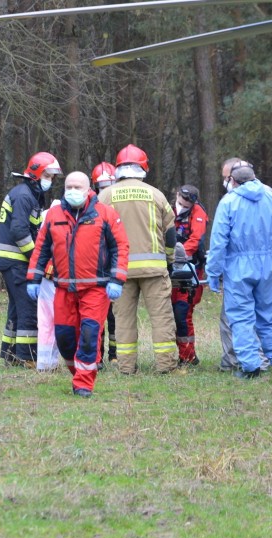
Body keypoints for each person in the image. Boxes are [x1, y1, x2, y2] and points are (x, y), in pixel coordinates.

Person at [27, 171, 129, 397]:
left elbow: (120, 248)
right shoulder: (54, 215)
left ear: (88, 189)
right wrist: (33, 278)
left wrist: (117, 279)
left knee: (89, 335)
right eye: (69, 187)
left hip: (96, 288)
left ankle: (83, 383)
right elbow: (41, 249)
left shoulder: (105, 214)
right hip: (63, 288)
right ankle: (77, 371)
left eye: (77, 187)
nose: (73, 191)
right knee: (64, 338)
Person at [97, 144, 178, 375]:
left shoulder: (105, 196)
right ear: (143, 168)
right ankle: (166, 366)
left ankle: (126, 367)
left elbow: (97, 234)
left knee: (123, 321)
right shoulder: (156, 194)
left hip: (119, 272)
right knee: (161, 318)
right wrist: (169, 260)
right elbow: (170, 234)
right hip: (154, 269)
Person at [206, 162, 272, 379]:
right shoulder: (271, 198)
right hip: (268, 264)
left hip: (239, 266)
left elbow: (218, 241)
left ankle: (251, 367)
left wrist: (213, 272)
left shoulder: (229, 202)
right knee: (268, 316)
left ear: (232, 180)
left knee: (241, 317)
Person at [0, 151, 62, 368]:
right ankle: (27, 357)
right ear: (36, 174)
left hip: (10, 260)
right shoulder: (24, 195)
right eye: (48, 176)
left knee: (16, 308)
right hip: (16, 261)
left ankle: (10, 354)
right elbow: (20, 232)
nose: (50, 181)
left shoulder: (26, 193)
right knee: (28, 308)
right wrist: (36, 259)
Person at [170, 184, 208, 367]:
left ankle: (187, 355)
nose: (183, 206)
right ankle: (183, 355)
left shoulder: (198, 212)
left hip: (190, 269)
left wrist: (180, 253)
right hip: (170, 268)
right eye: (181, 202)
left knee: (183, 312)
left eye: (187, 204)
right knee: (172, 312)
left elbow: (196, 238)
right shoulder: (168, 209)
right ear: (177, 195)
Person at [91, 161, 119, 366]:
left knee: (116, 315)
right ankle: (97, 355)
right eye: (102, 188)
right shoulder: (90, 208)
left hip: (115, 264)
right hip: (97, 266)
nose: (105, 192)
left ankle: (115, 354)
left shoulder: (120, 207)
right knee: (99, 313)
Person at [35, 200, 61, 372]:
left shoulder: (45, 216)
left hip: (47, 274)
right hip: (57, 275)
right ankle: (51, 361)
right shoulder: (63, 217)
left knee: (46, 320)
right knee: (59, 319)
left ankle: (45, 363)